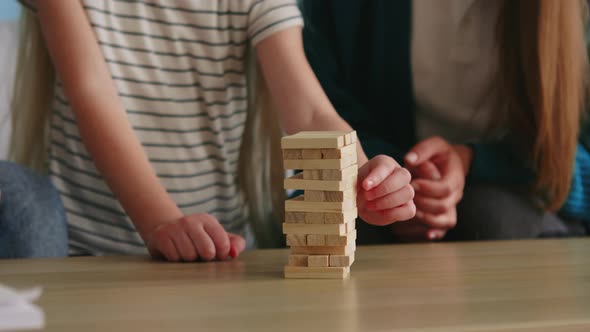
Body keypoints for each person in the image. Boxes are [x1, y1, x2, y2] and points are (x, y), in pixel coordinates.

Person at [2, 0, 415, 259]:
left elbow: (308, 110)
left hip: (219, 253)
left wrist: (361, 175)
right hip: (87, 251)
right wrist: (161, 223)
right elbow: (91, 91)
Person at [301, 0, 590, 244]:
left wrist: (471, 161)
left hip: (519, 199)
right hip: (380, 179)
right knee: (331, 226)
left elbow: (572, 163)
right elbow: (326, 110)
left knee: (488, 217)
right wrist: (399, 188)